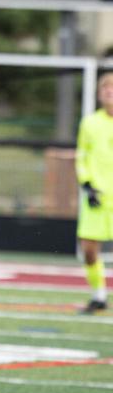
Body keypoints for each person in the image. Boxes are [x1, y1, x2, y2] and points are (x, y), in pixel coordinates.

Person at [74, 72, 113, 314]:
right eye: (105, 88)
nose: (109, 91)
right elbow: (82, 156)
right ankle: (99, 295)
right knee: (89, 249)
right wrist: (87, 184)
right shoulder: (89, 123)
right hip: (97, 196)